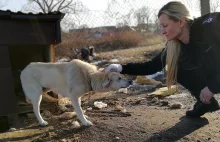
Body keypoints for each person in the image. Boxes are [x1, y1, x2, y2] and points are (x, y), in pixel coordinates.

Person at [105, 1, 220, 117]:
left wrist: (212, 86)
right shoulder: (174, 46)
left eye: (165, 26)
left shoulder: (210, 27)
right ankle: (205, 103)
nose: (162, 32)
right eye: (161, 26)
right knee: (175, 67)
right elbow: (151, 66)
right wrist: (120, 68)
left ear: (181, 21)